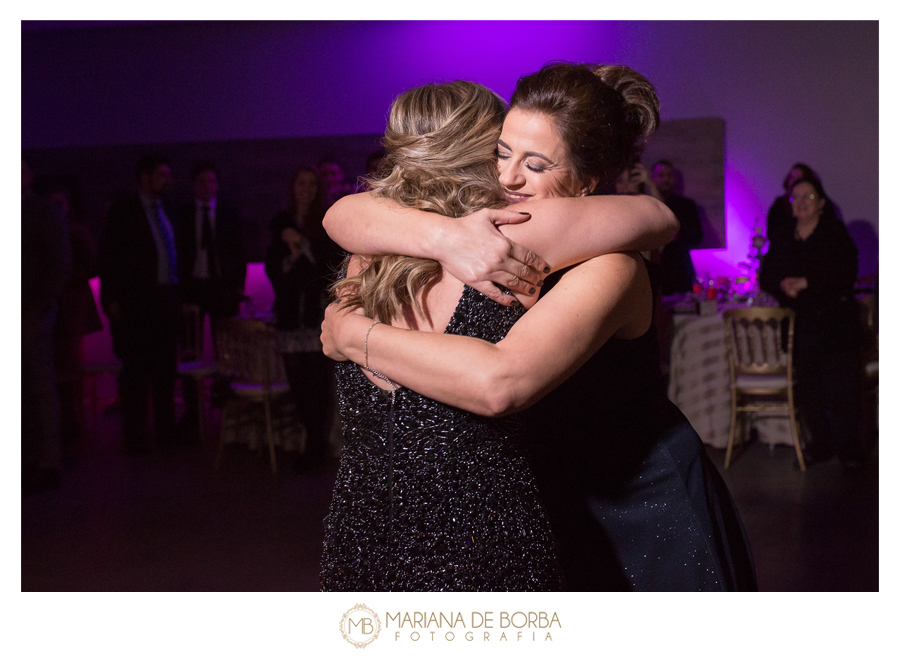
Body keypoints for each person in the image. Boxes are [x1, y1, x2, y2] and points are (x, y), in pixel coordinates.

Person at [322, 62, 757, 591]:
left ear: (586, 183)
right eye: (501, 153)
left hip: (640, 504)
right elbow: (346, 214)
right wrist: (442, 237)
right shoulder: (488, 235)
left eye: (536, 163)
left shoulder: (607, 258)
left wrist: (352, 335)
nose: (507, 177)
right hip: (553, 494)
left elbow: (657, 218)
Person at [759, 177, 863, 469]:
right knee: (810, 391)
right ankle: (820, 445)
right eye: (796, 198)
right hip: (800, 327)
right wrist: (783, 282)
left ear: (822, 203)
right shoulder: (783, 237)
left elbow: (846, 272)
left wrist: (807, 282)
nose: (802, 202)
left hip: (835, 326)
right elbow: (765, 275)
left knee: (842, 390)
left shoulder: (834, 233)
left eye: (809, 196)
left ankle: (849, 450)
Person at [99, 154, 180, 454]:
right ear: (145, 177)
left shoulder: (168, 209)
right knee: (135, 371)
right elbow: (108, 257)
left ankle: (165, 432)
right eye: (161, 175)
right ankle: (135, 437)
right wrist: (111, 299)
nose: (167, 181)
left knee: (165, 370)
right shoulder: (124, 211)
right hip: (137, 302)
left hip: (164, 300)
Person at [264, 166, 342, 471]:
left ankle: (315, 445)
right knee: (298, 385)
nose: (305, 189)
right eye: (300, 182)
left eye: (311, 184)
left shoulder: (325, 225)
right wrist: (292, 253)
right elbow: (276, 272)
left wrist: (303, 248)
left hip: (315, 316)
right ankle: (311, 441)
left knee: (318, 384)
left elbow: (327, 271)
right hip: (289, 317)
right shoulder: (279, 224)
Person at [175, 162, 247, 440]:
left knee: (226, 351)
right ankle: (193, 412)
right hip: (194, 289)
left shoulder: (228, 213)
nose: (207, 186)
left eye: (211, 181)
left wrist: (237, 288)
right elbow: (180, 253)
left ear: (217, 184)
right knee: (191, 350)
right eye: (202, 181)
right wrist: (181, 293)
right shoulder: (183, 214)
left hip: (223, 288)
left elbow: (238, 252)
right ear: (194, 185)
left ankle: (226, 408)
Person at [22, 158, 72, 493]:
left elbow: (61, 264)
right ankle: (29, 460)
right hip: (30, 308)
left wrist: (41, 306)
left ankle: (47, 463)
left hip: (31, 311)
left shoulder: (41, 211)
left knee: (38, 389)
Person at [49, 185, 103, 446]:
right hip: (61, 306)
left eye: (60, 203)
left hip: (72, 307)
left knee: (70, 364)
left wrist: (65, 278)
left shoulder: (76, 232)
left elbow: (93, 265)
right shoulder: (66, 232)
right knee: (61, 364)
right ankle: (67, 421)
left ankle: (71, 421)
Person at [651, 160, 704, 294]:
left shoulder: (687, 206)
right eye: (661, 175)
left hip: (680, 273)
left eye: (669, 175)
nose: (666, 180)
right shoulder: (646, 205)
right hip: (653, 272)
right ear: (653, 179)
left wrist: (676, 235)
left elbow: (697, 236)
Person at [766, 162, 820, 237]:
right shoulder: (779, 206)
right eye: (792, 177)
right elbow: (773, 234)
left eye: (799, 178)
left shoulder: (818, 206)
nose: (795, 181)